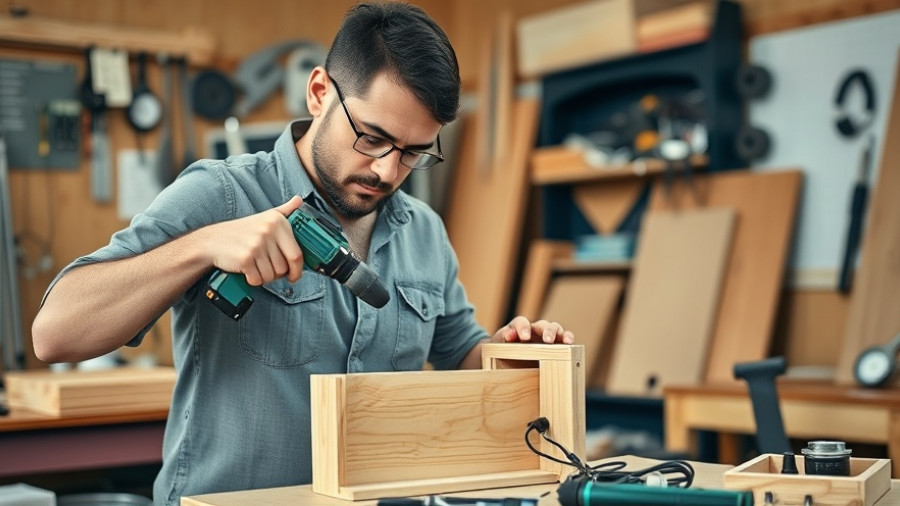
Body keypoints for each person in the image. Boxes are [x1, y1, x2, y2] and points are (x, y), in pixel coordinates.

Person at [32, 3, 574, 505]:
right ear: (319, 92)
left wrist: (511, 356)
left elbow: (461, 352)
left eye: (413, 152)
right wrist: (202, 247)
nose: (387, 171)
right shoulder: (221, 195)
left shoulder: (424, 232)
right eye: (372, 137)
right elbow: (55, 334)